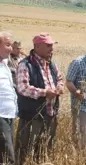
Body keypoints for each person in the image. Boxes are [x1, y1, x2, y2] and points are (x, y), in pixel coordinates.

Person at [15, 33, 64, 165]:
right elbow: (23, 87)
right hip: (32, 117)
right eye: (48, 45)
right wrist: (45, 92)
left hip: (50, 115)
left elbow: (59, 79)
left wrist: (59, 88)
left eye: (52, 45)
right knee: (26, 151)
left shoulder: (51, 64)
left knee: (44, 150)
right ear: (37, 46)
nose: (51, 48)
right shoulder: (25, 64)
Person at [0, 31, 16, 165]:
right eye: (7, 45)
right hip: (0, 116)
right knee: (7, 157)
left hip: (9, 115)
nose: (11, 48)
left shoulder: (5, 63)